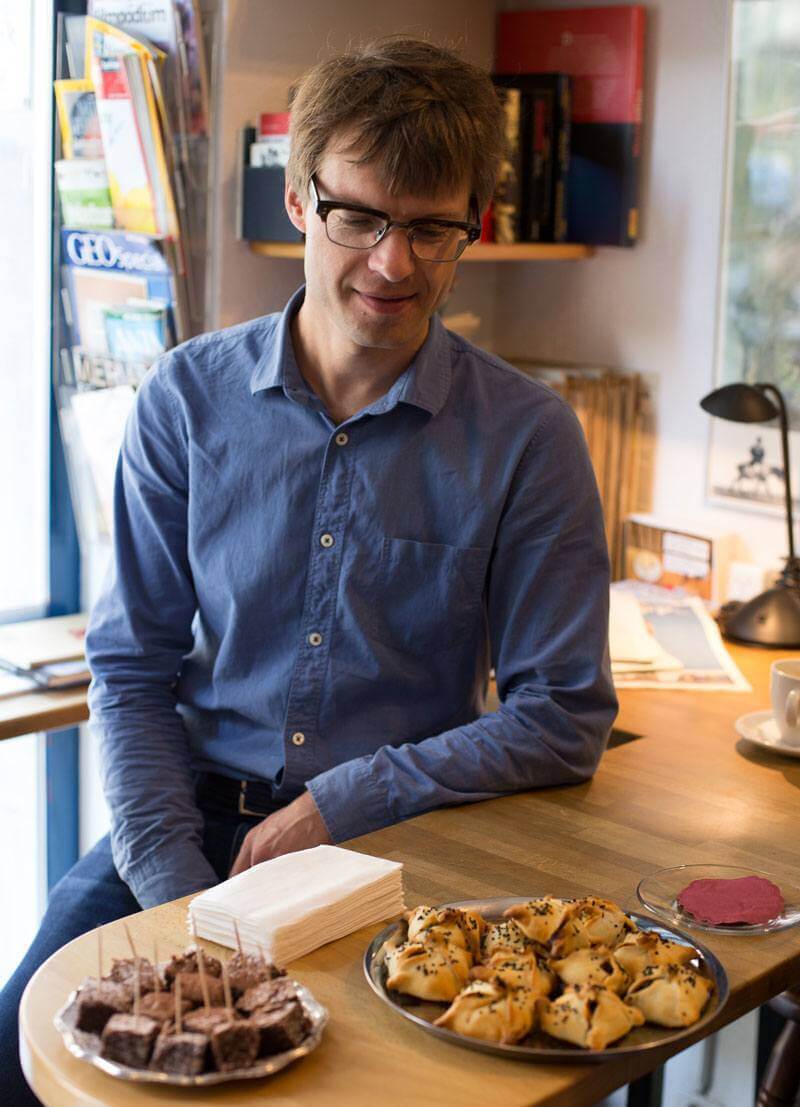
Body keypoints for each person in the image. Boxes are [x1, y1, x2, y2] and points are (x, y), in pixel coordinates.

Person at [0, 36, 616, 1104]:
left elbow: (561, 715)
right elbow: (133, 667)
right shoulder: (184, 403)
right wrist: (178, 897)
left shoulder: (528, 436)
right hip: (181, 820)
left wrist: (339, 800)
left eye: (430, 228)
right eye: (361, 219)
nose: (393, 264)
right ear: (297, 201)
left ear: (469, 228)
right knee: (19, 1043)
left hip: (393, 852)